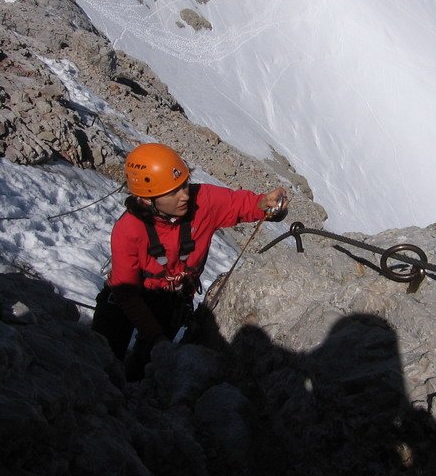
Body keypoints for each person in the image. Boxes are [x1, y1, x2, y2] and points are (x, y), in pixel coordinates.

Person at [92, 142, 289, 380]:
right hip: (128, 301)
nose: (185, 195)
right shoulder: (128, 230)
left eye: (184, 184)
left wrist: (265, 203)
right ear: (146, 199)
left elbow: (240, 205)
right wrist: (155, 336)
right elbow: (126, 292)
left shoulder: (202, 201)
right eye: (173, 191)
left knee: (145, 374)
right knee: (101, 362)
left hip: (171, 301)